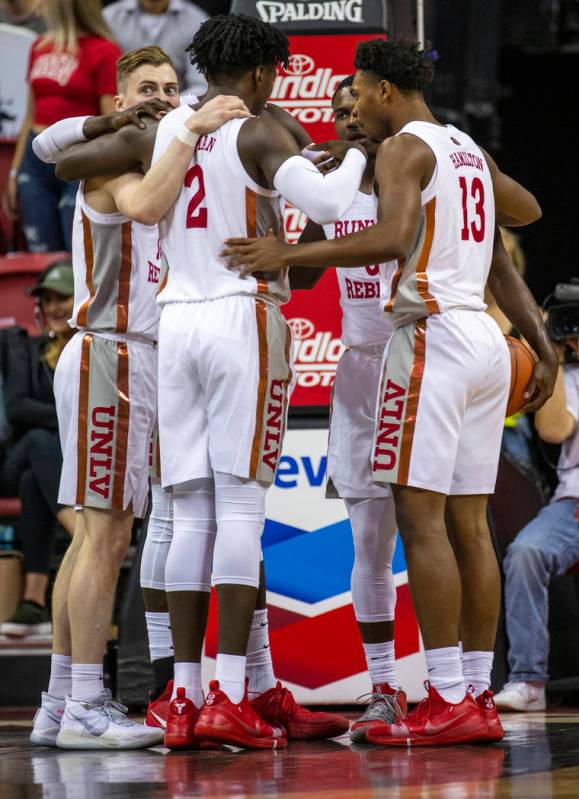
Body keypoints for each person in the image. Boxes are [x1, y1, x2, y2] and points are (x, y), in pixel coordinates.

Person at [222, 37, 558, 746]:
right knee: (440, 528)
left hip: (425, 343)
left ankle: (442, 693)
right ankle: (455, 690)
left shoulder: (408, 150)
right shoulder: (453, 149)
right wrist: (541, 344)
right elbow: (517, 216)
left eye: (355, 97)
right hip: (446, 350)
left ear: (380, 93)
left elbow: (403, 237)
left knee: (424, 523)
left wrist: (286, 250)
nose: (347, 114)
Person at [52, 13, 367, 749]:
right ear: (261, 75)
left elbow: (63, 160)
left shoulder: (173, 128)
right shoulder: (258, 130)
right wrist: (350, 154)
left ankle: (186, 697)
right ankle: (230, 689)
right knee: (239, 511)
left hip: (176, 325)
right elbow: (326, 207)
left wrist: (142, 120)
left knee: (188, 512)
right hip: (238, 320)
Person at [29, 46, 247, 750]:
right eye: (145, 88)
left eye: (169, 86)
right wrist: (187, 123)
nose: (159, 96)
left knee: (96, 538)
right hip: (113, 351)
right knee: (108, 536)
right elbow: (144, 200)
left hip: (130, 356)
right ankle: (89, 701)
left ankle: (61, 699)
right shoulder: (120, 159)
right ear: (119, 99)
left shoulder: (158, 152)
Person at [290, 75, 406, 734]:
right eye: (336, 111)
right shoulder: (334, 190)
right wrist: (311, 204)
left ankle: (464, 684)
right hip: (361, 371)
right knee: (368, 542)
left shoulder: (410, 171)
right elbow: (303, 273)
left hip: (421, 362)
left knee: (440, 532)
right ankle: (385, 686)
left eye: (354, 106)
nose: (346, 118)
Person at [494, 333, 579, 712]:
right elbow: (553, 431)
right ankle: (528, 680)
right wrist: (554, 355)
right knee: (527, 551)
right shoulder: (571, 376)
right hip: (573, 504)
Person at [3, 0, 121, 252]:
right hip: (34, 160)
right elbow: (29, 116)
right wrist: (14, 171)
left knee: (76, 251)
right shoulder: (39, 46)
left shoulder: (105, 51)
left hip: (79, 158)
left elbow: (111, 124)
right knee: (40, 253)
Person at [0, 260, 76, 637]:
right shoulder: (26, 351)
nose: (55, 307)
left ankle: (33, 602)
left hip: (62, 468)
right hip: (14, 459)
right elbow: (17, 408)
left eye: (63, 297)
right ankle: (81, 531)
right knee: (36, 443)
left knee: (36, 479)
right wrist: (69, 416)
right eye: (48, 300)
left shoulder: (92, 352)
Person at [103, 0, 208, 96]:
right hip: (120, 106)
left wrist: (171, 105)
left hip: (177, 108)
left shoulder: (197, 22)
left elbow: (202, 84)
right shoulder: (108, 18)